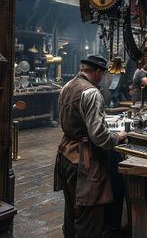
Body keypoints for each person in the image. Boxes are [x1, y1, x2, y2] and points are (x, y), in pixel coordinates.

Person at [54, 54, 127, 238]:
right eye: (101, 74)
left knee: (71, 212)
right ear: (96, 72)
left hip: (65, 154)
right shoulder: (91, 92)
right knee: (88, 218)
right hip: (83, 160)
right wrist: (117, 137)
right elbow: (99, 136)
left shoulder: (67, 86)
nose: (101, 79)